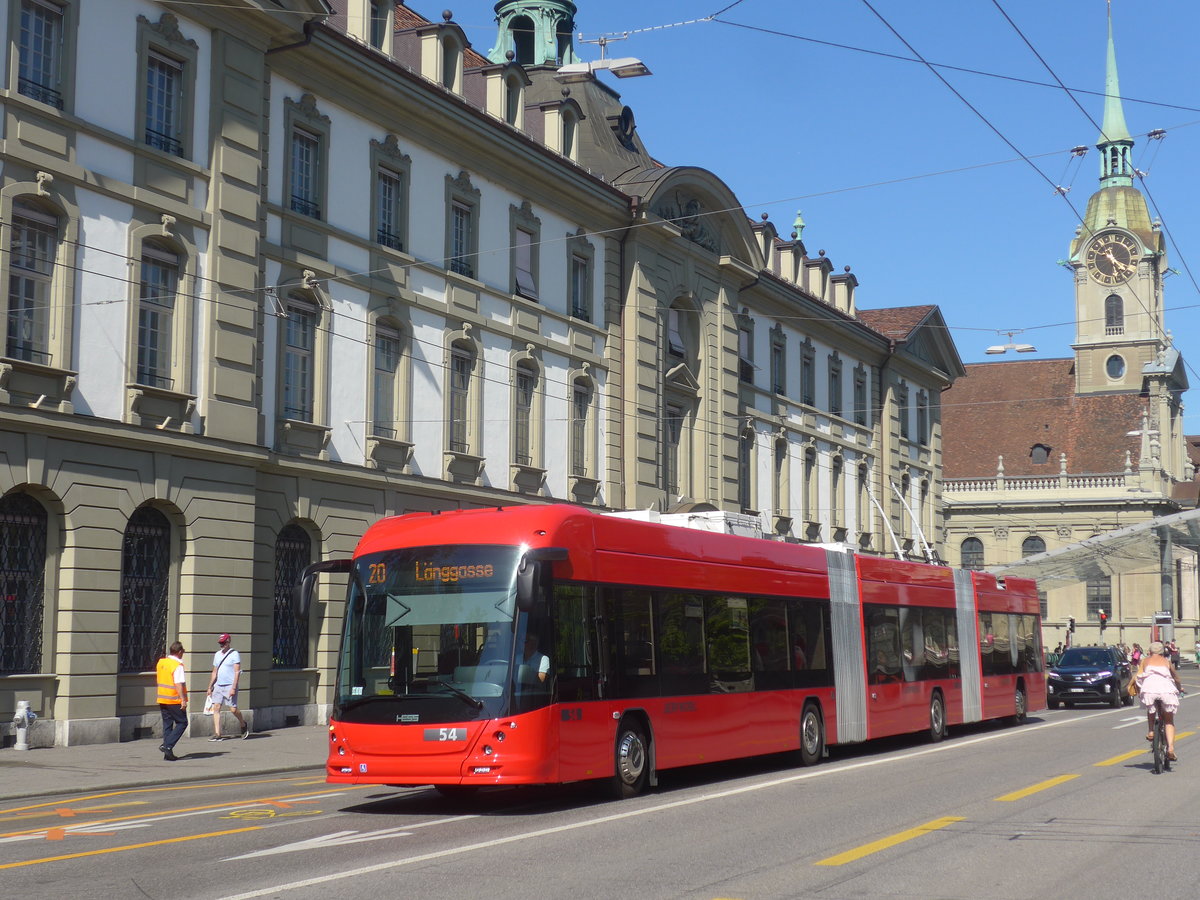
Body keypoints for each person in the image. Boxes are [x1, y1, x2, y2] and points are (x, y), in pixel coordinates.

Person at [1135, 640, 1182, 761]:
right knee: (1169, 721)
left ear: (1150, 651)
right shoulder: (1166, 661)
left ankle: (1151, 731)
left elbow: (1137, 676)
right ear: (1162, 652)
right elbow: (1176, 677)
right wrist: (1178, 687)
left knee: (1151, 709)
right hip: (1165, 689)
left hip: (1150, 688)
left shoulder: (1145, 661)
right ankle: (1171, 748)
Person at [207, 633, 249, 740]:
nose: (222, 645)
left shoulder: (234, 654)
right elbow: (214, 672)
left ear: (228, 641)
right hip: (218, 685)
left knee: (233, 709)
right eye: (220, 643)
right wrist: (210, 686)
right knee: (216, 708)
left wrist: (233, 688)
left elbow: (237, 672)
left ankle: (243, 724)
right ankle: (217, 734)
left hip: (230, 685)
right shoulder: (217, 655)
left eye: (223, 643)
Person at [156, 641, 189, 761]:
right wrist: (183, 700)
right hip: (173, 698)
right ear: (179, 652)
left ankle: (168, 754)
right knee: (183, 722)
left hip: (162, 698)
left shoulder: (162, 662)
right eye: (183, 652)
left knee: (167, 725)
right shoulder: (177, 665)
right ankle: (167, 746)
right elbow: (178, 683)